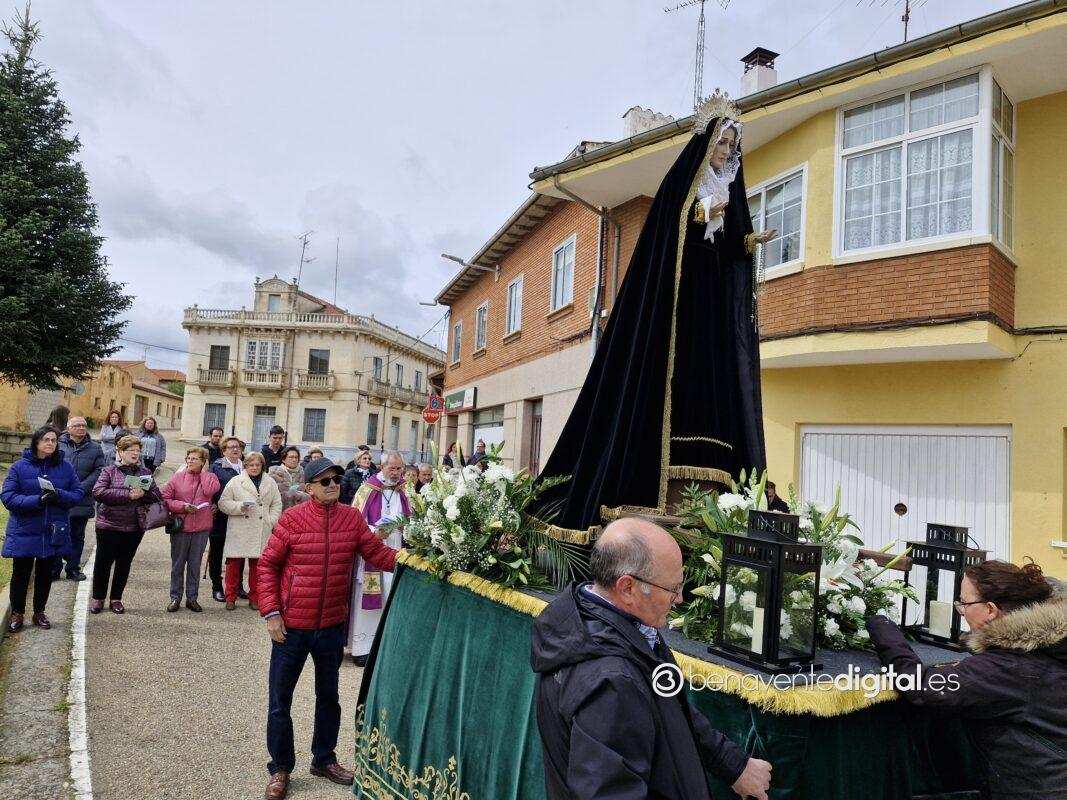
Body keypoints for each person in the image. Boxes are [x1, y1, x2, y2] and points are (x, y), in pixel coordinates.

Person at [532, 96, 775, 537]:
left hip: (710, 304)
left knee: (709, 380)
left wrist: (750, 242)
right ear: (707, 144)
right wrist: (701, 212)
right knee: (671, 377)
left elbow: (732, 246)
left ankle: (712, 492)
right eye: (721, 143)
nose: (725, 152)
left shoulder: (730, 189)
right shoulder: (683, 183)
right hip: (679, 299)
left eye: (731, 145)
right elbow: (668, 227)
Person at [532, 517, 773, 800]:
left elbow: (668, 706)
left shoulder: (619, 624)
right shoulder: (611, 682)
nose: (679, 598)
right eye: (672, 589)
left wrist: (732, 764)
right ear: (627, 588)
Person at [258, 457, 398, 798]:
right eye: (324, 481)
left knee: (329, 697)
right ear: (309, 488)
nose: (333, 484)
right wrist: (272, 612)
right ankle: (280, 767)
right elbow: (268, 566)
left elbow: (379, 554)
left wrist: (416, 560)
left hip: (331, 625)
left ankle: (324, 759)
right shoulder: (292, 519)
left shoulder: (351, 519)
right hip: (292, 627)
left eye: (336, 479)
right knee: (280, 700)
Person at [867, 560, 1066, 800]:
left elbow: (921, 686)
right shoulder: (1046, 648)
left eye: (965, 603)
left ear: (990, 610)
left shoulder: (1007, 667)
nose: (961, 611)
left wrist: (882, 627)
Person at [1, 426, 83, 632]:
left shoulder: (65, 467)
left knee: (46, 573)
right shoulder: (19, 467)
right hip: (25, 529)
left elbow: (78, 494)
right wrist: (37, 500)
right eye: (46, 439)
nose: (50, 443)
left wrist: (59, 495)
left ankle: (39, 612)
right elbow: (8, 497)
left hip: (52, 530)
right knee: (21, 573)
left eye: (54, 440)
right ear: (36, 442)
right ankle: (17, 613)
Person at [348, 451, 410, 665]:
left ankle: (385, 647)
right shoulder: (367, 489)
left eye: (399, 468)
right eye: (392, 468)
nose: (396, 473)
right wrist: (375, 532)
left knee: (391, 595)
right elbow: (355, 521)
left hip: (396, 548)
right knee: (369, 598)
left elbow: (413, 517)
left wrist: (407, 528)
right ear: (382, 467)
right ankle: (363, 648)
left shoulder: (405, 490)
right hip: (372, 551)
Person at [90, 435, 161, 614]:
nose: (135, 453)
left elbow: (157, 495)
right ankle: (98, 598)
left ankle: (116, 599)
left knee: (124, 563)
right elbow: (98, 492)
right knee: (103, 563)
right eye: (131, 450)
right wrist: (127, 495)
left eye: (138, 450)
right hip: (108, 525)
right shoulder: (109, 471)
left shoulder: (145, 472)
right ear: (120, 452)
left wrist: (143, 494)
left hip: (134, 526)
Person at [219, 452, 282, 611]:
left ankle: (255, 597)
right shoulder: (235, 481)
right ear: (245, 466)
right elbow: (223, 503)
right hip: (239, 528)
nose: (254, 467)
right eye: (251, 465)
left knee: (257, 567)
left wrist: (271, 520)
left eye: (257, 465)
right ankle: (230, 597)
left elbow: (276, 504)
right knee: (233, 566)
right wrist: (239, 506)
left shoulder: (270, 482)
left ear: (262, 466)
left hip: (261, 528)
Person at [161, 447, 221, 612]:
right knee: (178, 565)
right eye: (188, 458)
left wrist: (204, 472)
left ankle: (192, 598)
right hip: (181, 527)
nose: (190, 461)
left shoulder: (211, 477)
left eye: (195, 459)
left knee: (195, 565)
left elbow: (209, 490)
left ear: (203, 462)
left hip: (201, 528)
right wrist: (182, 506)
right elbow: (166, 499)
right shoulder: (177, 477)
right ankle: (175, 597)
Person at [55, 417, 106, 581]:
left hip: (81, 499)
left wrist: (80, 488)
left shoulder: (95, 448)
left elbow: (99, 470)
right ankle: (54, 568)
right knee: (57, 534)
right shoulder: (57, 445)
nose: (81, 428)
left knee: (77, 536)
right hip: (59, 498)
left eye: (84, 425)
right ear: (68, 428)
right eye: (77, 425)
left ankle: (73, 568)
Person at [208, 436, 245, 603]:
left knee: (239, 552)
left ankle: (237, 586)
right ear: (224, 451)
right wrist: (212, 504)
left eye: (237, 447)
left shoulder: (246, 466)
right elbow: (210, 489)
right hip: (220, 516)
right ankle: (217, 587)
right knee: (217, 552)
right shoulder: (216, 467)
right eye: (231, 447)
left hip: (241, 516)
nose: (235, 449)